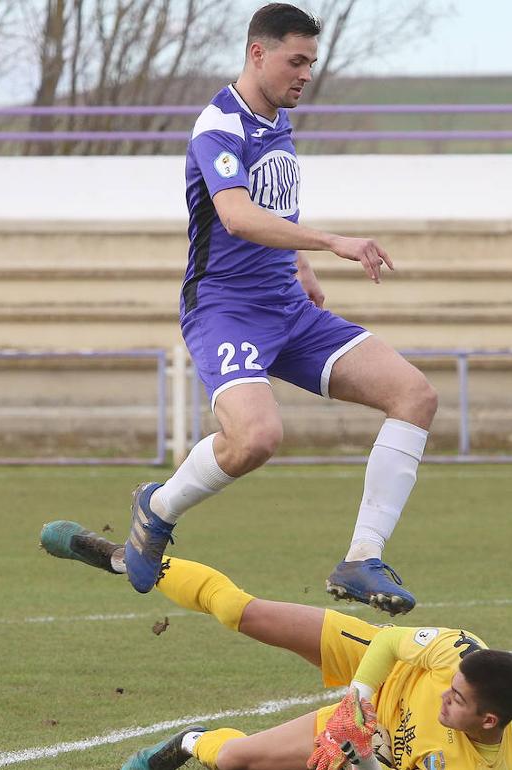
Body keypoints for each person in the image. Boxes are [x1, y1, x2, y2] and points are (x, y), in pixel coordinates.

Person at [124, 3, 438, 615]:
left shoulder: (276, 121)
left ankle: (361, 560)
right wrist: (331, 242)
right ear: (257, 53)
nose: (305, 74)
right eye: (296, 61)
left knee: (415, 396)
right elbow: (238, 216)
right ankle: (157, 508)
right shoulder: (219, 126)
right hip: (226, 310)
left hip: (287, 308)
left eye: (311, 63)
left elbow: (273, 206)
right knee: (258, 438)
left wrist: (302, 266)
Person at [40, 521, 512, 770]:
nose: (447, 692)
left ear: (489, 722)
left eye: (457, 699)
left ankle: (188, 739)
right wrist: (355, 703)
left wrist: (359, 752)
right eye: (453, 687)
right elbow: (393, 644)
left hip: (377, 731)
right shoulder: (458, 655)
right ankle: (121, 560)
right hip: (377, 665)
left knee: (235, 761)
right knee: (239, 611)